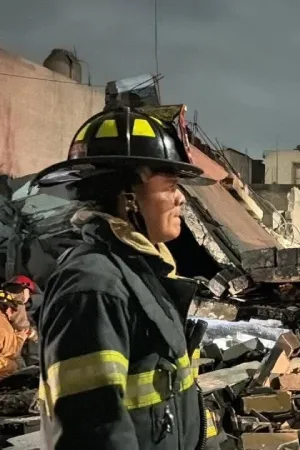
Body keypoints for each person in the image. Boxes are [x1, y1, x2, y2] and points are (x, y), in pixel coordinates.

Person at [31, 107, 225, 450]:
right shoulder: (94, 287)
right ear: (127, 196)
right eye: (170, 185)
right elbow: (93, 430)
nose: (181, 198)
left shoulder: (141, 271)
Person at [0, 290, 30, 381]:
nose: (12, 313)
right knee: (12, 366)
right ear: (5, 307)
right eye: (11, 309)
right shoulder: (3, 324)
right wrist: (21, 337)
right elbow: (10, 351)